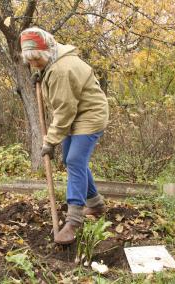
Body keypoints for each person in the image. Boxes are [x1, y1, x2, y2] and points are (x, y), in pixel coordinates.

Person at [20, 27, 109, 244]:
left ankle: (73, 221)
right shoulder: (53, 58)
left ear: (46, 52)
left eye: (37, 61)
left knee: (74, 160)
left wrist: (50, 141)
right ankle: (96, 204)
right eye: (30, 62)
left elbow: (64, 111)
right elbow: (65, 105)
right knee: (73, 161)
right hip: (76, 114)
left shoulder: (61, 69)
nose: (33, 65)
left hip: (89, 115)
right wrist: (40, 73)